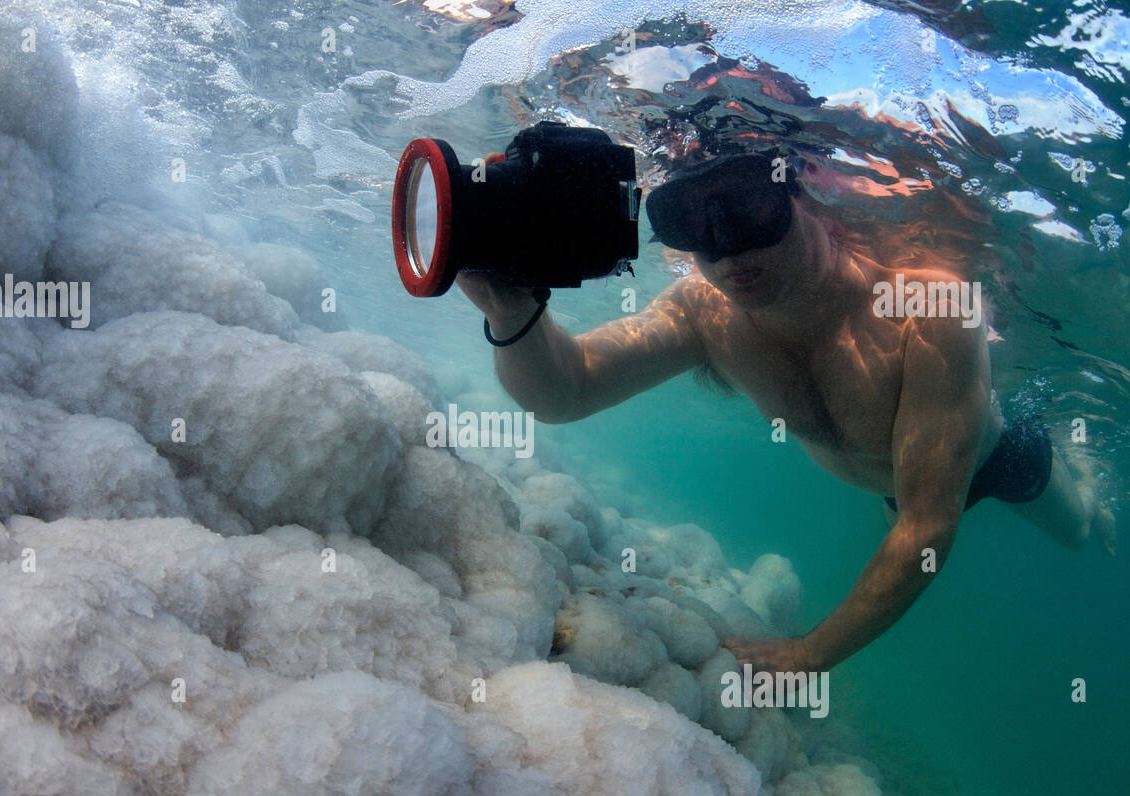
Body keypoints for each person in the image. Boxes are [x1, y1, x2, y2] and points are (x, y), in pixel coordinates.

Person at [456, 152, 1116, 674]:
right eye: (690, 225)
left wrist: (810, 653)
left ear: (813, 204)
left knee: (1081, 528)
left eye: (746, 210)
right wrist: (513, 316)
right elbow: (566, 394)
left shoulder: (931, 306)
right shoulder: (704, 311)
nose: (726, 253)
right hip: (898, 488)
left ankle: (1082, 473)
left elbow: (928, 526)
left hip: (995, 458)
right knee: (910, 502)